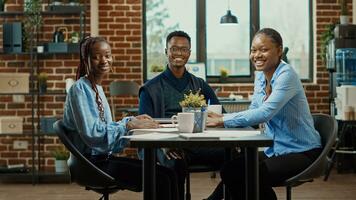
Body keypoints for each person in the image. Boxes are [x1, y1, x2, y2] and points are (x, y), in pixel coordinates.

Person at [206, 28, 322, 200]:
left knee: (241, 175)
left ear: (279, 50)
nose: (257, 55)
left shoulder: (286, 75)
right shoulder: (260, 76)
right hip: (275, 149)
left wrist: (223, 120)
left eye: (263, 49)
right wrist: (227, 124)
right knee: (230, 170)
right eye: (253, 50)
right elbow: (255, 109)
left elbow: (265, 113)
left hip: (301, 152)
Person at [62, 36, 180, 200]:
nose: (103, 60)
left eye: (107, 55)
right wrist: (129, 124)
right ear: (85, 60)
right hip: (91, 164)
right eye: (96, 57)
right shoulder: (79, 89)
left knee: (168, 174)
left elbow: (107, 133)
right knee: (161, 179)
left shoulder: (96, 88)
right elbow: (94, 135)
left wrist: (131, 121)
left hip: (103, 159)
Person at [139, 30, 226, 199]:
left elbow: (220, 113)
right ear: (166, 52)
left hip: (196, 144)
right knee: (174, 163)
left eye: (183, 49)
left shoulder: (199, 83)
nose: (179, 53)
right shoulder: (150, 89)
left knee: (239, 159)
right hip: (164, 145)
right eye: (174, 49)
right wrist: (164, 145)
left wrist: (211, 119)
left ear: (189, 53)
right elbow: (144, 128)